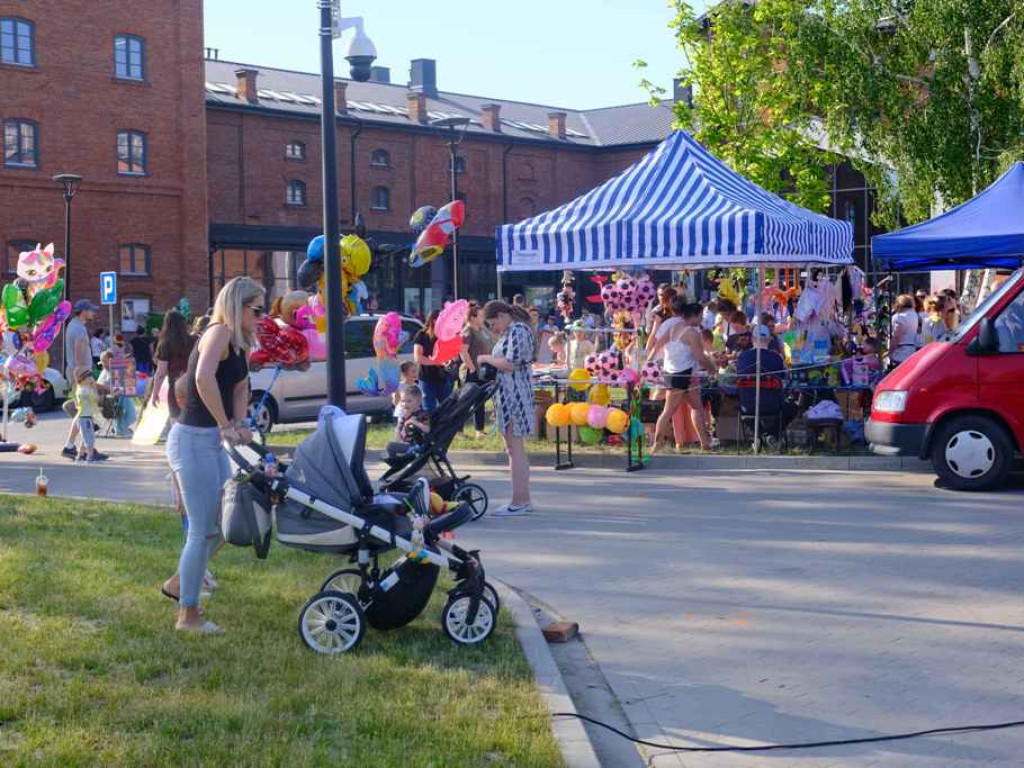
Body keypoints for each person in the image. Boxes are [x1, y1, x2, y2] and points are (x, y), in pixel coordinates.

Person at [161, 276, 262, 633]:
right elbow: (201, 380)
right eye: (256, 310)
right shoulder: (218, 331)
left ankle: (178, 584)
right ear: (237, 306)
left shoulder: (239, 344)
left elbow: (239, 387)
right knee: (202, 529)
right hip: (191, 440)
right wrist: (224, 424)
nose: (260, 317)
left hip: (210, 442)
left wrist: (239, 422)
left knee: (225, 525)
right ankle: (188, 616)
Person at [477, 301, 536, 517]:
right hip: (507, 397)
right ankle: (520, 499)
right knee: (512, 449)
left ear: (502, 315)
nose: (494, 329)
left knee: (516, 449)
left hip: (515, 397)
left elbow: (510, 364)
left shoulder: (518, 330)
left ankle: (520, 500)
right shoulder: (511, 331)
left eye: (493, 324)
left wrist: (485, 358)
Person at [649, 299, 715, 453]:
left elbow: (659, 343)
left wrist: (652, 360)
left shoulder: (674, 327)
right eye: (700, 317)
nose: (701, 320)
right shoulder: (692, 333)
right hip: (685, 374)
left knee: (682, 408)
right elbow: (699, 356)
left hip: (671, 373)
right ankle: (659, 443)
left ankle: (704, 443)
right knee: (693, 409)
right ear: (695, 315)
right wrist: (711, 367)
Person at [62, 299, 107, 461]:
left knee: (83, 411)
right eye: (91, 310)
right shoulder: (80, 329)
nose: (94, 312)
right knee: (84, 412)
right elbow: (79, 351)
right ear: (83, 312)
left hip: (77, 373)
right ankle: (85, 450)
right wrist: (82, 375)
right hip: (81, 374)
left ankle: (73, 447)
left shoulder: (73, 325)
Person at [149, 310, 195, 423]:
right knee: (193, 420)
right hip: (192, 383)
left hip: (175, 385)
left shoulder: (165, 343)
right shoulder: (193, 340)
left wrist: (155, 393)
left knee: (176, 421)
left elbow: (161, 372)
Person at [459, 303, 492, 437]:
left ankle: (479, 430)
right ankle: (458, 431)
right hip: (471, 372)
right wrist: (471, 367)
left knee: (480, 401)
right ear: (472, 317)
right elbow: (463, 351)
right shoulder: (468, 331)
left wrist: (483, 327)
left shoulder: (480, 329)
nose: (483, 317)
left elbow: (492, 339)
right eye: (481, 315)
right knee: (465, 402)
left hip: (482, 372)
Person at [413, 310, 454, 412]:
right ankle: (430, 427)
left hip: (443, 377)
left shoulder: (445, 335)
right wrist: (436, 362)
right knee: (429, 408)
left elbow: (451, 353)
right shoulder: (421, 335)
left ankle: (445, 427)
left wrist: (450, 358)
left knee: (446, 407)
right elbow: (418, 357)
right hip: (427, 378)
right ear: (434, 320)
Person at [96, 350, 138, 437]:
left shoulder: (118, 371)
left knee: (124, 397)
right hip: (105, 397)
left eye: (104, 361)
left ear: (111, 360)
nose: (103, 364)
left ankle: (121, 427)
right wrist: (107, 388)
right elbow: (98, 386)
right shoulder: (105, 371)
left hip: (114, 397)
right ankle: (121, 427)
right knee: (123, 398)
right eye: (102, 362)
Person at [387, 385, 431, 458]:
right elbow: (399, 428)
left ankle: (404, 458)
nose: (405, 404)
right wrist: (398, 431)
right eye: (403, 401)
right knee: (390, 446)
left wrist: (415, 422)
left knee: (414, 449)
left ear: (419, 402)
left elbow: (427, 429)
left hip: (417, 445)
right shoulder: (405, 414)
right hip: (406, 444)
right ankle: (395, 459)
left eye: (409, 401)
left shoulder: (423, 414)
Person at [73, 368, 102, 462]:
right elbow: (96, 399)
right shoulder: (84, 391)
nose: (91, 379)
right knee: (89, 438)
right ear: (82, 379)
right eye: (88, 378)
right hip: (85, 417)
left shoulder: (83, 389)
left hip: (86, 416)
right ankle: (90, 456)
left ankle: (80, 455)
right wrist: (94, 389)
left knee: (84, 437)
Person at [889, 294, 919, 368]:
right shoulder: (915, 315)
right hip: (912, 349)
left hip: (901, 351)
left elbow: (897, 336)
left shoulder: (900, 316)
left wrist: (891, 351)